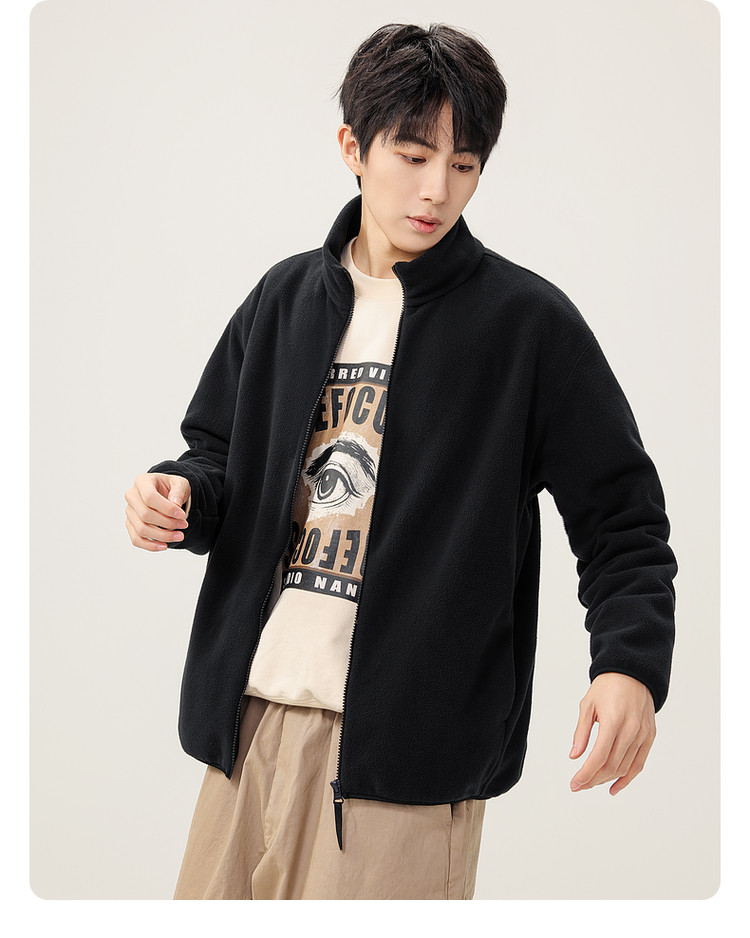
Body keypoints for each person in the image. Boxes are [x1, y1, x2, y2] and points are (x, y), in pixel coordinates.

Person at [124, 22, 678, 900]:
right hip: (247, 727)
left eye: (463, 165)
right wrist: (179, 495)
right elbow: (218, 455)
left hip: (405, 762)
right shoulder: (283, 299)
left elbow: (623, 520)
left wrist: (629, 665)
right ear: (353, 146)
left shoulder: (525, 327)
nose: (436, 190)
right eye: (413, 156)